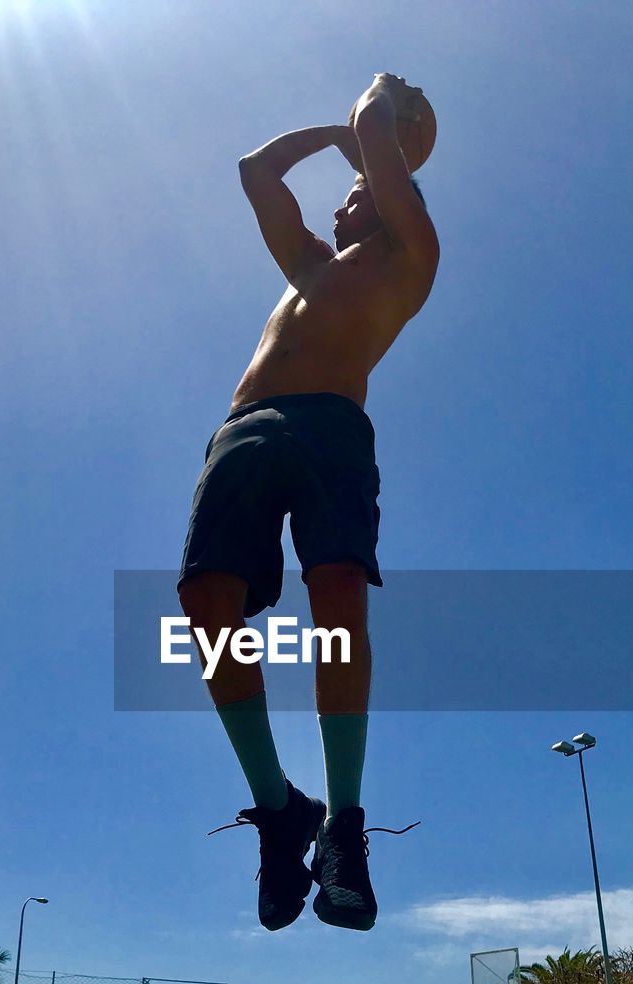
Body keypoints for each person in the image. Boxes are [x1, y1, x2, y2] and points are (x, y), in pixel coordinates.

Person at [177, 74, 439, 932]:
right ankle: (281, 810)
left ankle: (346, 825)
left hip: (331, 426)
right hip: (245, 426)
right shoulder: (309, 271)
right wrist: (338, 132)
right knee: (206, 602)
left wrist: (375, 107)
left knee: (335, 597)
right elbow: (257, 172)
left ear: (393, 190)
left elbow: (375, 133)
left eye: (359, 189)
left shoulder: (412, 252)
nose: (340, 206)